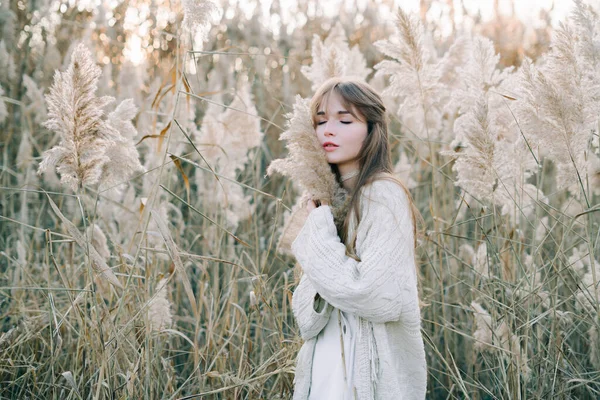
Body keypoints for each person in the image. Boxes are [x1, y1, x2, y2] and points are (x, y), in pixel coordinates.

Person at [290, 77, 427, 400]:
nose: (328, 130)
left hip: (368, 376)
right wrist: (321, 221)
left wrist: (320, 229)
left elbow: (376, 296)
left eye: (344, 120)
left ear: (372, 129)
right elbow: (307, 319)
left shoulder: (383, 195)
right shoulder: (325, 204)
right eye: (320, 121)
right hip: (325, 371)